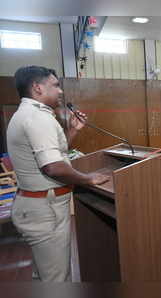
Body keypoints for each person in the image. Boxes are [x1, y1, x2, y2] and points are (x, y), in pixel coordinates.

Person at [7, 66, 109, 282]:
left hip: (36, 206)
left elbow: (55, 154)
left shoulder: (27, 113)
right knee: (56, 279)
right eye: (55, 85)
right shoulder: (37, 118)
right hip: (45, 210)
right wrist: (88, 178)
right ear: (37, 87)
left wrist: (73, 130)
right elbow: (52, 167)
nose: (60, 91)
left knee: (44, 275)